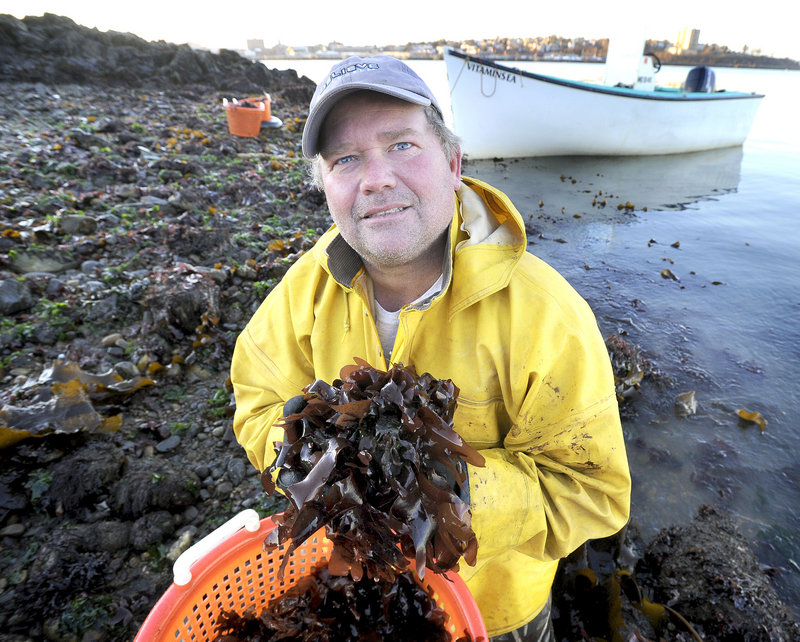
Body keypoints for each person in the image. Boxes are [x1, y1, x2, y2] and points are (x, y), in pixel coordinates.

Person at [231, 55, 631, 640]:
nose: (376, 179)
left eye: (401, 145)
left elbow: (593, 490)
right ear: (326, 189)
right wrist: (307, 460)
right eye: (345, 159)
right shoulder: (303, 290)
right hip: (354, 586)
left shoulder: (548, 315)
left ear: (452, 162)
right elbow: (257, 398)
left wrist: (452, 494)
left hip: (494, 609)